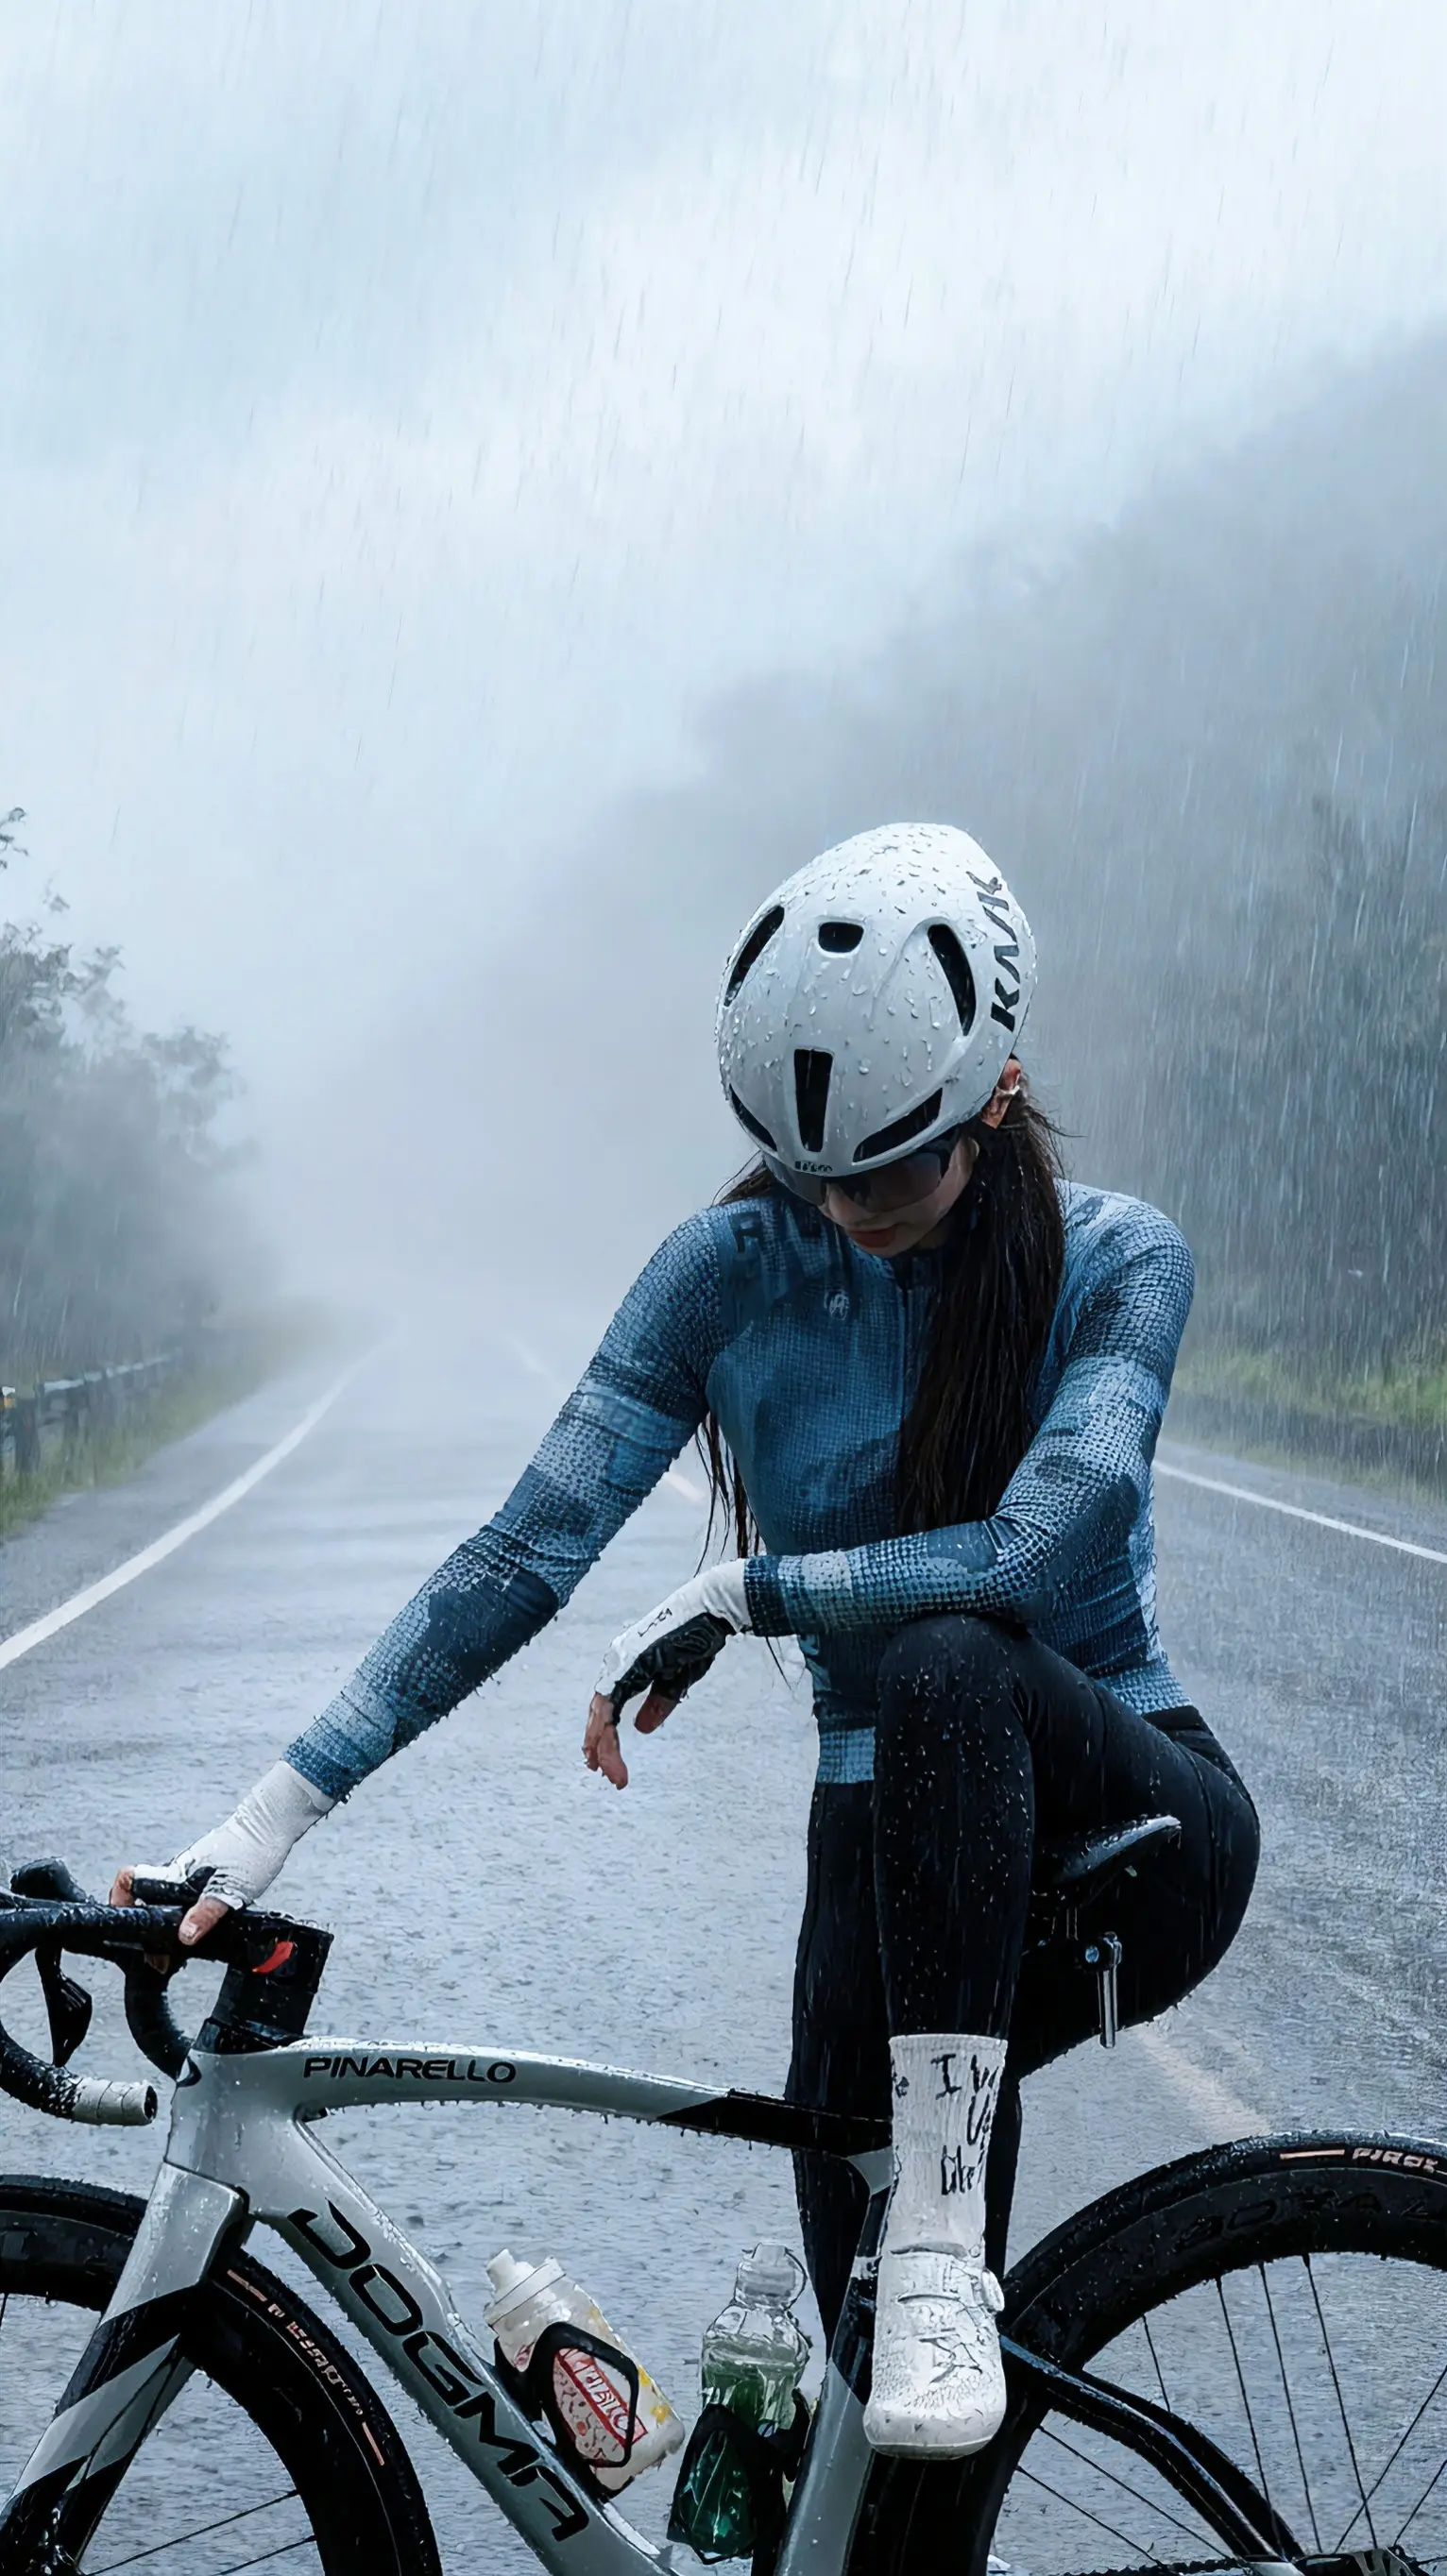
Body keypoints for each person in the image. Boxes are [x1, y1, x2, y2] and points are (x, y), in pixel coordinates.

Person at [113, 822, 1258, 2461]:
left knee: (946, 1660)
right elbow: (524, 1550)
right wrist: (268, 1813)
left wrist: (752, 1593)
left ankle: (943, 2250)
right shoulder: (724, 1273)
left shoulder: (1121, 1259)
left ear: (996, 1098)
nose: (848, 1209)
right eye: (812, 1174)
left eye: (892, 1171)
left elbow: (1030, 1555)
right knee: (864, 2421)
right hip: (887, 1842)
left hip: (1131, 1822)